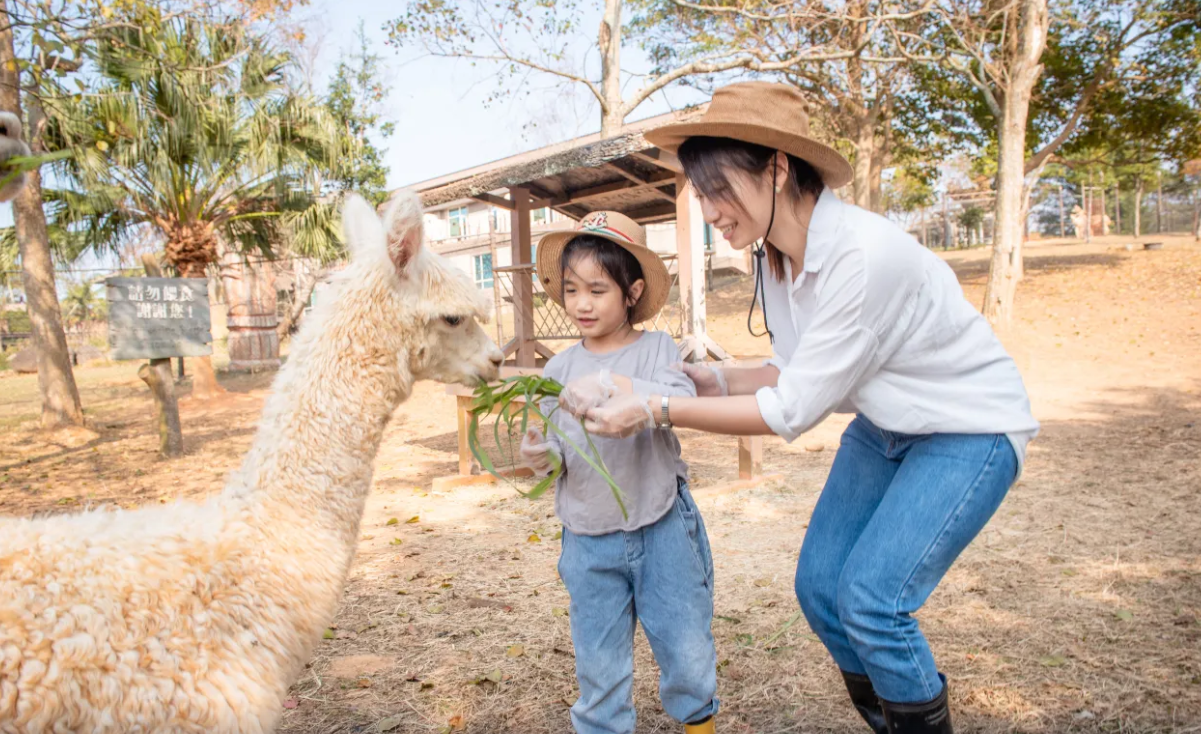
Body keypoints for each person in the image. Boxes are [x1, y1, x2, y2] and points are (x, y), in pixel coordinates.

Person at [557, 82, 1040, 734]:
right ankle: (892, 718)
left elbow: (789, 410)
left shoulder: (861, 256)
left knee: (871, 602)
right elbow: (789, 367)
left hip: (969, 430)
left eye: (718, 188)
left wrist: (656, 408)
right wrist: (704, 380)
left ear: (777, 169)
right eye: (700, 194)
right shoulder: (778, 258)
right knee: (820, 591)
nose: (709, 211)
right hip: (887, 427)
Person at [519, 210, 720, 734]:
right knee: (599, 666)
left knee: (687, 651)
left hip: (661, 528)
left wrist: (608, 383)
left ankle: (698, 721)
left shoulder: (655, 349)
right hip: (587, 539)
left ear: (632, 292)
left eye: (597, 290)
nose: (581, 303)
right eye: (571, 289)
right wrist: (540, 456)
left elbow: (682, 397)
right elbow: (557, 453)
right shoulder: (557, 370)